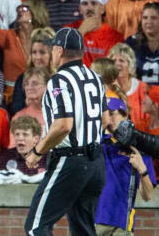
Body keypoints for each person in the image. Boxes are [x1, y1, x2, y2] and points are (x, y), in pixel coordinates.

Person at [24, 27, 109, 236]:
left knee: (36, 227)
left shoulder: (59, 80)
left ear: (59, 51)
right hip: (96, 162)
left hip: (70, 160)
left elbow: (63, 125)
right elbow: (105, 120)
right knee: (83, 230)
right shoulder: (95, 78)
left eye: (53, 48)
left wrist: (37, 151)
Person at [95, 96, 156, 234]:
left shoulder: (139, 149)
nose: (108, 118)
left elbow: (148, 196)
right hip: (94, 218)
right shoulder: (97, 144)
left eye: (112, 113)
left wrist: (143, 169)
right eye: (105, 114)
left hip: (123, 223)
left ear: (125, 115)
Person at [64, 0, 123, 66]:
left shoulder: (115, 36)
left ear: (102, 9)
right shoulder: (68, 29)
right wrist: (81, 31)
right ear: (80, 9)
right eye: (85, 4)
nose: (89, 8)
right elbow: (61, 56)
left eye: (94, 3)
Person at [10, 28, 55, 117]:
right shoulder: (22, 78)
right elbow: (15, 109)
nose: (37, 57)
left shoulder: (59, 79)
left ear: (51, 55)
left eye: (42, 52)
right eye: (34, 52)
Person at [126, 2, 159, 85]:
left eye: (153, 18)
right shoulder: (131, 43)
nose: (148, 21)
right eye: (145, 18)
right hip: (138, 95)